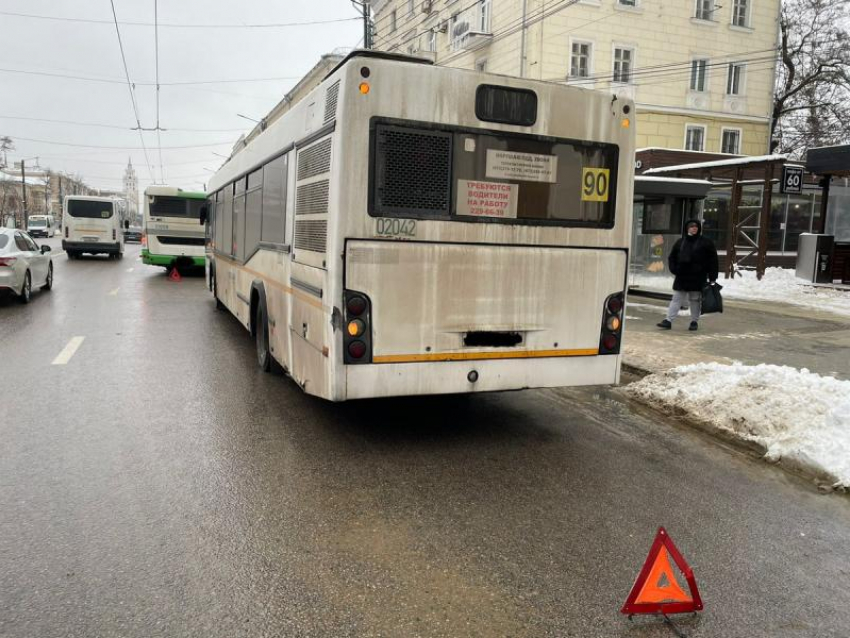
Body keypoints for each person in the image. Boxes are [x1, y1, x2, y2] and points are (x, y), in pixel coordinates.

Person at [657, 219, 719, 331]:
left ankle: (694, 321)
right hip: (682, 276)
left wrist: (712, 276)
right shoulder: (680, 242)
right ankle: (668, 321)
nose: (694, 228)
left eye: (696, 226)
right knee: (676, 298)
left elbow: (713, 260)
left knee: (695, 299)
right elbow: (672, 257)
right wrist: (674, 269)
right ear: (687, 228)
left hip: (698, 276)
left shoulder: (706, 242)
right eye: (691, 226)